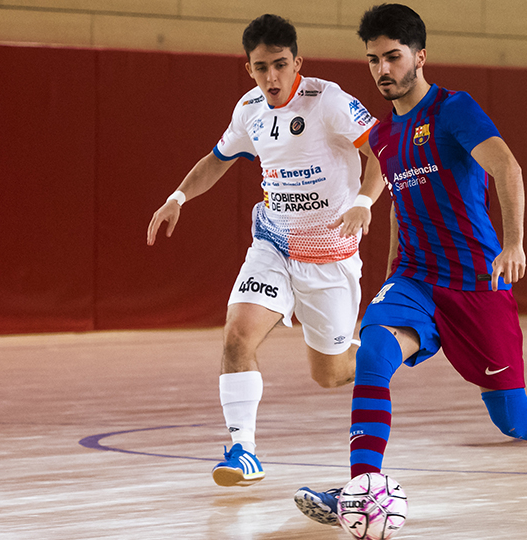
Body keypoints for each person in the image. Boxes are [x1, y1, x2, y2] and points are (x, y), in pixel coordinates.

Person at [293, 3, 527, 527]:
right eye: (373, 60)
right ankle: (360, 488)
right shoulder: (381, 136)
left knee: (513, 417)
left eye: (393, 57)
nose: (382, 70)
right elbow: (400, 197)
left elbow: (506, 166)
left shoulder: (454, 109)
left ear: (420, 57)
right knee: (374, 348)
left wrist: (514, 244)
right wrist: (395, 267)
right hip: (416, 278)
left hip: (475, 283)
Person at [147, 14, 383, 488]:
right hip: (273, 241)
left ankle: (390, 349)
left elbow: (382, 150)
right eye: (261, 68)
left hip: (329, 252)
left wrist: (363, 201)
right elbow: (217, 160)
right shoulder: (249, 109)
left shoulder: (329, 101)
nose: (272, 78)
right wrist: (177, 197)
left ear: (298, 61)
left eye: (280, 65)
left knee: (331, 374)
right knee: (237, 335)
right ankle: (243, 450)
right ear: (248, 67)